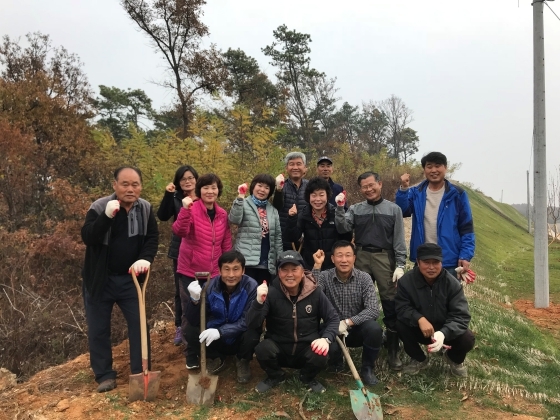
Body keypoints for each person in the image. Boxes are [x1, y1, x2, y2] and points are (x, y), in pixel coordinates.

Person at [81, 166, 158, 393]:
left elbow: (152, 239)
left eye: (135, 184)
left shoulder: (145, 209)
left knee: (139, 326)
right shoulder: (98, 207)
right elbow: (88, 237)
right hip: (99, 280)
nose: (130, 189)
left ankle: (139, 372)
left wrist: (145, 258)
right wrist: (106, 216)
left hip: (130, 280)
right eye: (125, 184)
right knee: (98, 329)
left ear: (141, 186)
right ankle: (104, 375)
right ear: (114, 185)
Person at [334, 171, 407, 371]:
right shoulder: (356, 209)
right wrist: (340, 208)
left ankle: (392, 350)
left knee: (390, 302)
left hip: (385, 258)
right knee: (358, 300)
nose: (368, 189)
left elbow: (399, 239)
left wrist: (400, 264)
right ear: (360, 189)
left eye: (371, 185)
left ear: (379, 184)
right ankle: (362, 341)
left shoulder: (393, 209)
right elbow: (342, 228)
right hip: (362, 256)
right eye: (364, 187)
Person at [246, 251, 339, 394]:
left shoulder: (315, 293)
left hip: (306, 349)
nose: (289, 274)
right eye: (284, 270)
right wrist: (258, 302)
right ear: (278, 272)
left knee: (322, 352)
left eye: (294, 269)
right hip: (279, 349)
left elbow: (333, 318)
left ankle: (307, 377)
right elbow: (252, 324)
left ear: (302, 272)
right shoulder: (270, 293)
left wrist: (326, 339)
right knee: (262, 349)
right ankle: (276, 376)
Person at [173, 173, 232, 369]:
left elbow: (225, 243)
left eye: (214, 188)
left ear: (218, 191)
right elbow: (179, 231)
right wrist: (184, 211)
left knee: (212, 311)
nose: (210, 191)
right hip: (190, 270)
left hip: (214, 272)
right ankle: (191, 354)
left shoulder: (222, 214)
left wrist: (227, 269)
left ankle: (211, 352)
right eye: (206, 187)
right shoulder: (191, 209)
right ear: (200, 190)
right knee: (190, 312)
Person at [395, 243, 475, 377]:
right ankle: (418, 358)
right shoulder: (406, 282)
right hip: (419, 329)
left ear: (441, 263)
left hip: (444, 329)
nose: (431, 267)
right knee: (399, 324)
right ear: (418, 262)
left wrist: (444, 333)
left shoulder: (452, 284)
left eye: (436, 262)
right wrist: (418, 318)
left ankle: (454, 359)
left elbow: (461, 316)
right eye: (426, 262)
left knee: (468, 338)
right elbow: (401, 307)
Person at [311, 241, 383, 385]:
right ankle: (336, 363)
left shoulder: (364, 278)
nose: (344, 260)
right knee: (330, 348)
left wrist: (348, 322)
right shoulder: (325, 276)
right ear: (332, 259)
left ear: (354, 258)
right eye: (339, 256)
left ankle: (367, 369)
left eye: (348, 255)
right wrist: (317, 266)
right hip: (332, 330)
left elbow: (373, 310)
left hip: (356, 329)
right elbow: (313, 294)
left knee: (374, 329)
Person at [183, 250, 260, 383]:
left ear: (243, 270)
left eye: (236, 269)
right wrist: (195, 301)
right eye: (226, 269)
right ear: (219, 270)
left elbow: (247, 320)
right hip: (216, 339)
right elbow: (194, 320)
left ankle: (242, 359)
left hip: (238, 337)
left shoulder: (251, 287)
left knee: (253, 330)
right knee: (190, 331)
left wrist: (221, 331)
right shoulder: (210, 286)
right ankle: (215, 357)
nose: (231, 275)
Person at [395, 151, 475, 277]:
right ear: (424, 169)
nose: (434, 170)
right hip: (423, 258)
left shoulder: (457, 194)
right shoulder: (416, 193)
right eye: (429, 166)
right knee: (420, 296)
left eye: (438, 166)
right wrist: (404, 189)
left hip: (448, 260)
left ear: (445, 168)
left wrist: (465, 255)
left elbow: (466, 227)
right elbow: (403, 211)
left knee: (448, 296)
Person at [157, 165, 199, 346]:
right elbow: (163, 216)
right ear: (178, 182)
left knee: (202, 288)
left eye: (190, 178)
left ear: (196, 179)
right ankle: (180, 326)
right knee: (180, 289)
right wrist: (168, 195)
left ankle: (200, 324)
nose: (187, 182)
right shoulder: (176, 198)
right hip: (179, 249)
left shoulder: (204, 196)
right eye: (183, 179)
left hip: (201, 248)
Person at [285, 177, 352, 270]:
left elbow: (346, 238)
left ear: (327, 196)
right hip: (310, 265)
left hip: (333, 265)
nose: (317, 199)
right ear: (308, 197)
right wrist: (292, 218)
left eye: (321, 195)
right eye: (313, 195)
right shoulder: (304, 214)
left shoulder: (335, 213)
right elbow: (293, 237)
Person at [228, 174, 283, 285]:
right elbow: (234, 220)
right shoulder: (243, 203)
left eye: (267, 188)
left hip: (266, 263)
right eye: (260, 185)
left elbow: (277, 237)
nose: (262, 190)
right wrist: (240, 196)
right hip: (246, 261)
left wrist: (280, 260)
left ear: (270, 191)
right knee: (246, 295)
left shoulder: (273, 210)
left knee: (263, 296)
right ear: (253, 186)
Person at [272, 152, 309, 251]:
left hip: (306, 240)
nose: (295, 167)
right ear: (286, 168)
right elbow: (276, 206)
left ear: (305, 168)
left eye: (299, 164)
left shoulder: (310, 187)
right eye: (291, 164)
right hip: (283, 239)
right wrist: (278, 190)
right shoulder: (280, 185)